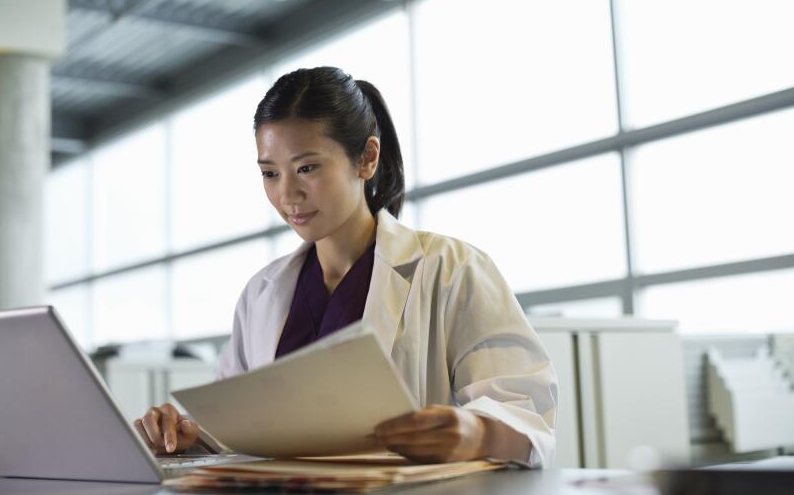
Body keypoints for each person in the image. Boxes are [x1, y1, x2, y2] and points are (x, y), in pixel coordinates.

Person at [133, 66, 558, 467]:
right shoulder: (261, 293)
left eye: (307, 168)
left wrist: (477, 433)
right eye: (270, 173)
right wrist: (187, 435)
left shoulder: (451, 269)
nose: (287, 194)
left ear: (367, 158)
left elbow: (525, 409)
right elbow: (235, 428)